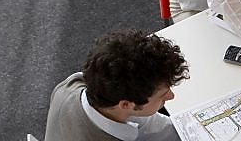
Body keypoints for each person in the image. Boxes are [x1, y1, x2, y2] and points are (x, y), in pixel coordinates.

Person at [44, 29, 190, 141]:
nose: (171, 96)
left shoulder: (72, 84)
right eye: (163, 95)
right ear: (126, 105)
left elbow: (155, 125)